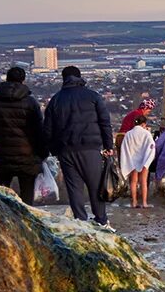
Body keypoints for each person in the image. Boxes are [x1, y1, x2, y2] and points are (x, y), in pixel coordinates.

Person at [43, 65, 114, 225]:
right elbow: (105, 122)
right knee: (95, 186)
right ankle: (101, 221)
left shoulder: (56, 99)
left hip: (66, 150)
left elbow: (47, 129)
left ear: (64, 79)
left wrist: (54, 150)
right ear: (79, 77)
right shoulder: (92, 96)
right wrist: (108, 145)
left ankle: (81, 222)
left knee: (74, 188)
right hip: (90, 148)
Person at [0, 66, 46, 204]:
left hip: (3, 152)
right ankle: (26, 221)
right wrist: (42, 151)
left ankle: (1, 220)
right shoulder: (30, 102)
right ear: (23, 80)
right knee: (27, 193)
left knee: (1, 193)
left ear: (7, 78)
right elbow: (38, 130)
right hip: (27, 154)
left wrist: (0, 138)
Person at [118, 113, 156, 208]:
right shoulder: (147, 134)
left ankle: (134, 202)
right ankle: (144, 203)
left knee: (133, 182)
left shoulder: (129, 134)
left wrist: (127, 160)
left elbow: (125, 148)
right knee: (143, 181)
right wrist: (147, 160)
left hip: (132, 161)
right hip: (144, 160)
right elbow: (151, 147)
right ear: (143, 124)